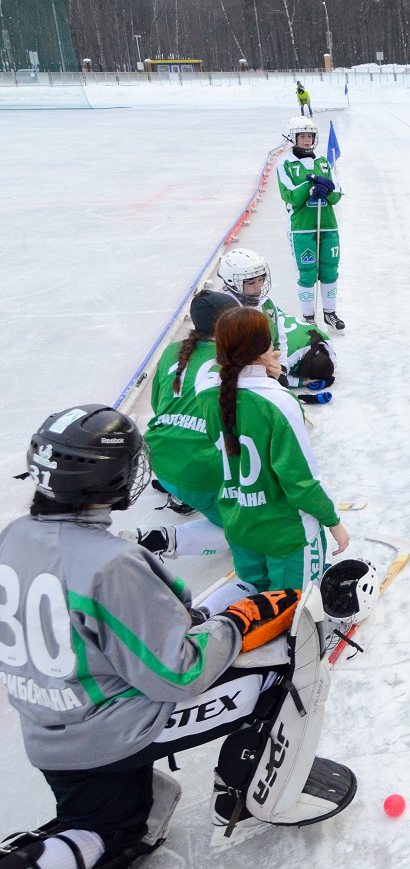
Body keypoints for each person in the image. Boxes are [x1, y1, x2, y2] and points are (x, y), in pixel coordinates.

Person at [0, 404, 356, 868]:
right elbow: (180, 672)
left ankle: (99, 829)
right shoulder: (110, 563)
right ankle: (254, 794)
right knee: (281, 664)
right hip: (104, 733)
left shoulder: (15, 535)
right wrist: (237, 621)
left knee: (124, 824)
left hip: (50, 729)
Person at [198, 307, 350, 592]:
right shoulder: (278, 403)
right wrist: (333, 521)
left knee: (255, 603)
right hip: (286, 534)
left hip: (239, 524)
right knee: (292, 612)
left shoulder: (207, 395)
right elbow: (301, 481)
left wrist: (270, 375)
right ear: (265, 348)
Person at [125, 289, 241, 561]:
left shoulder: (171, 351)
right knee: (254, 528)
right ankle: (165, 539)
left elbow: (158, 405)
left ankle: (185, 496)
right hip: (204, 473)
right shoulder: (236, 358)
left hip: (159, 461)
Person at [217, 248, 338, 398]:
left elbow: (280, 339)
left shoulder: (267, 303)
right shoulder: (225, 312)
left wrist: (282, 370)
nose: (258, 286)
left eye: (261, 279)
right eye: (251, 282)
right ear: (231, 281)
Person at [278, 116, 345, 330]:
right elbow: (289, 195)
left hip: (328, 225)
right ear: (293, 138)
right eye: (302, 136)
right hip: (302, 227)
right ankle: (308, 316)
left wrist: (327, 189)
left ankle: (330, 313)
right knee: (307, 271)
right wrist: (310, 188)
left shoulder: (323, 162)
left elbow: (337, 193)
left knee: (330, 269)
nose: (307, 141)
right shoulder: (286, 164)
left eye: (310, 136)